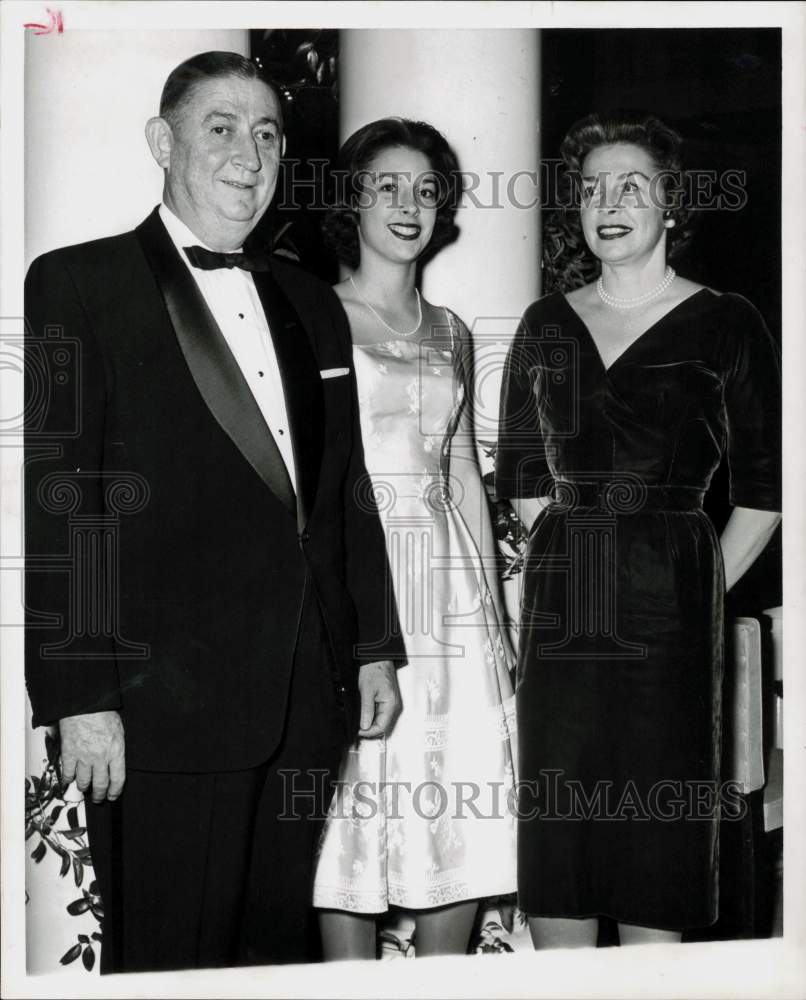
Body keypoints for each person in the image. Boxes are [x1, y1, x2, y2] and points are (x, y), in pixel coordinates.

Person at [24, 51, 405, 972]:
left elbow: (341, 484)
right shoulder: (78, 283)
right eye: (221, 128)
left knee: (272, 957)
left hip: (304, 695)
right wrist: (82, 696)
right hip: (163, 704)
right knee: (169, 961)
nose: (250, 153)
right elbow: (65, 498)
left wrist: (371, 647)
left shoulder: (312, 303)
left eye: (268, 133)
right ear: (163, 142)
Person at [495, 111, 781, 948]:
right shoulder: (545, 322)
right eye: (591, 189)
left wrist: (688, 592)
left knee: (659, 852)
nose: (607, 203)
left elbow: (766, 491)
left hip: (674, 617)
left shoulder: (727, 320)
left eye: (632, 186)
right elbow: (522, 483)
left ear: (671, 206)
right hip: (564, 616)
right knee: (562, 838)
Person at [311, 119, 518, 959]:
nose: (408, 206)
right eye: (387, 187)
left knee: (460, 794)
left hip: (452, 590)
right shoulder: (313, 316)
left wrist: (496, 624)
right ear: (351, 201)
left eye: (425, 190)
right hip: (362, 573)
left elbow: (464, 471)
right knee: (354, 802)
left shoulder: (452, 330)